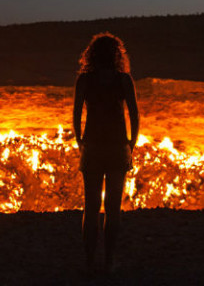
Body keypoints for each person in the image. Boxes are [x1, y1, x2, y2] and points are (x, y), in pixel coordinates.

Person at [72, 32, 139, 273]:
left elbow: (76, 115)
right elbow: (134, 114)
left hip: (92, 147)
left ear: (91, 55)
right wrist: (131, 144)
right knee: (113, 208)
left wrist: (81, 142)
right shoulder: (124, 80)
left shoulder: (85, 80)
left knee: (90, 208)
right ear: (116, 55)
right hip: (117, 147)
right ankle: (109, 261)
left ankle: (89, 263)